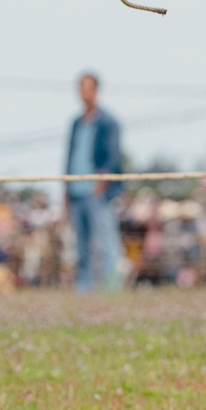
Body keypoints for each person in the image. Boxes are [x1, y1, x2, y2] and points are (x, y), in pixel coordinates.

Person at [64, 72, 125, 293]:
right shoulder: (75, 123)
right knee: (81, 246)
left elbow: (113, 158)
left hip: (99, 194)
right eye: (79, 86)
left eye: (86, 86)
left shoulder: (108, 122)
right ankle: (84, 289)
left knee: (107, 243)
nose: (82, 91)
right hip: (77, 193)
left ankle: (111, 289)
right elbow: (69, 158)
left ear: (96, 90)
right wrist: (66, 191)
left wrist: (101, 185)